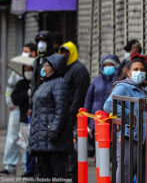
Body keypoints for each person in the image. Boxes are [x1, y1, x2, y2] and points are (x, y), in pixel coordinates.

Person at [104, 57, 147, 183]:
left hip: (142, 139)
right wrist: (128, 114)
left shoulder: (144, 90)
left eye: (142, 70)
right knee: (126, 174)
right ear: (128, 73)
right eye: (135, 69)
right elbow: (108, 106)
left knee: (141, 174)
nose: (139, 72)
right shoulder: (124, 87)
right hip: (128, 138)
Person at [28, 54, 72, 180]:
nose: (44, 68)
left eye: (47, 65)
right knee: (44, 173)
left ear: (55, 67)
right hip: (41, 136)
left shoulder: (59, 84)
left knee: (57, 172)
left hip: (53, 137)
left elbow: (61, 109)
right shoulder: (44, 84)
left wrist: (54, 130)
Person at [0, 43, 36, 175]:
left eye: (26, 51)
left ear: (33, 52)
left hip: (29, 111)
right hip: (17, 109)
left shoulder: (36, 68)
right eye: (23, 51)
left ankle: (27, 168)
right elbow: (9, 89)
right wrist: (10, 104)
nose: (24, 53)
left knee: (27, 139)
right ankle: (10, 165)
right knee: (13, 137)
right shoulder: (18, 72)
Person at [59, 41, 90, 181]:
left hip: (75, 116)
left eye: (66, 52)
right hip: (67, 115)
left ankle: (73, 175)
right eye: (62, 52)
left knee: (75, 149)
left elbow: (79, 94)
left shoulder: (79, 70)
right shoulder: (67, 68)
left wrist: (71, 113)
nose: (64, 55)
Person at [84, 54, 120, 133]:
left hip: (112, 124)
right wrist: (86, 123)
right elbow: (88, 101)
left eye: (111, 65)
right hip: (95, 121)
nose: (108, 67)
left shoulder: (119, 82)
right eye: (106, 65)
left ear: (116, 66)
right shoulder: (96, 80)